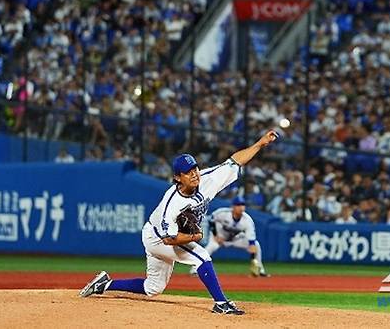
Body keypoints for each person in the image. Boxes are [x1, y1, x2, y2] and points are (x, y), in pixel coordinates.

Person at [79, 130, 279, 314]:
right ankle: (221, 304)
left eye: (195, 168)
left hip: (162, 234)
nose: (194, 174)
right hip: (157, 238)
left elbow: (234, 162)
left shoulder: (206, 179)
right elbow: (169, 239)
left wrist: (260, 143)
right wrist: (195, 236)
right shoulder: (172, 203)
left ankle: (104, 284)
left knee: (153, 288)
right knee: (201, 256)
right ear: (177, 177)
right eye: (188, 171)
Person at [189, 197, 269, 278]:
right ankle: (195, 270)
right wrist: (216, 235)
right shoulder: (223, 213)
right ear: (233, 206)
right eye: (238, 205)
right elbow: (211, 220)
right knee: (209, 248)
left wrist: (252, 254)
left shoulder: (247, 220)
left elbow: (251, 238)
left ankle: (259, 270)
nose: (241, 207)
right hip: (219, 238)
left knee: (256, 244)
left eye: (243, 205)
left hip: (235, 240)